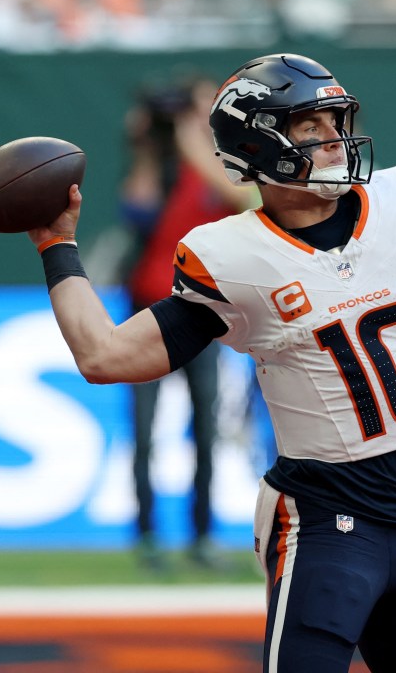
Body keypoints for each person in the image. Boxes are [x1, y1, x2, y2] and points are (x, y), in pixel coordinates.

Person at [26, 52, 396, 672]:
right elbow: (104, 357)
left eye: (336, 122)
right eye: (310, 127)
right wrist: (58, 246)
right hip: (326, 527)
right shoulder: (233, 256)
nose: (334, 140)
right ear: (258, 144)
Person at [119, 73, 257, 571]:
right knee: (144, 429)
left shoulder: (226, 163)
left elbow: (240, 199)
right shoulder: (165, 162)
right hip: (147, 307)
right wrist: (149, 147)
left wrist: (193, 141)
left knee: (204, 427)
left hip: (203, 310)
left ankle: (201, 535)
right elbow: (135, 210)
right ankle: (147, 535)